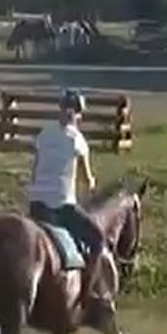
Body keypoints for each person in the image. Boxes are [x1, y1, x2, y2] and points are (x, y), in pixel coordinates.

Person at [27, 87, 108, 313]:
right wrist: (92, 184)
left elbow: (34, 171)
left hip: (37, 204)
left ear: (60, 109)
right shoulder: (78, 141)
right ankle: (86, 296)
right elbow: (86, 179)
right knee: (97, 239)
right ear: (79, 114)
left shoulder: (43, 134)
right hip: (62, 206)